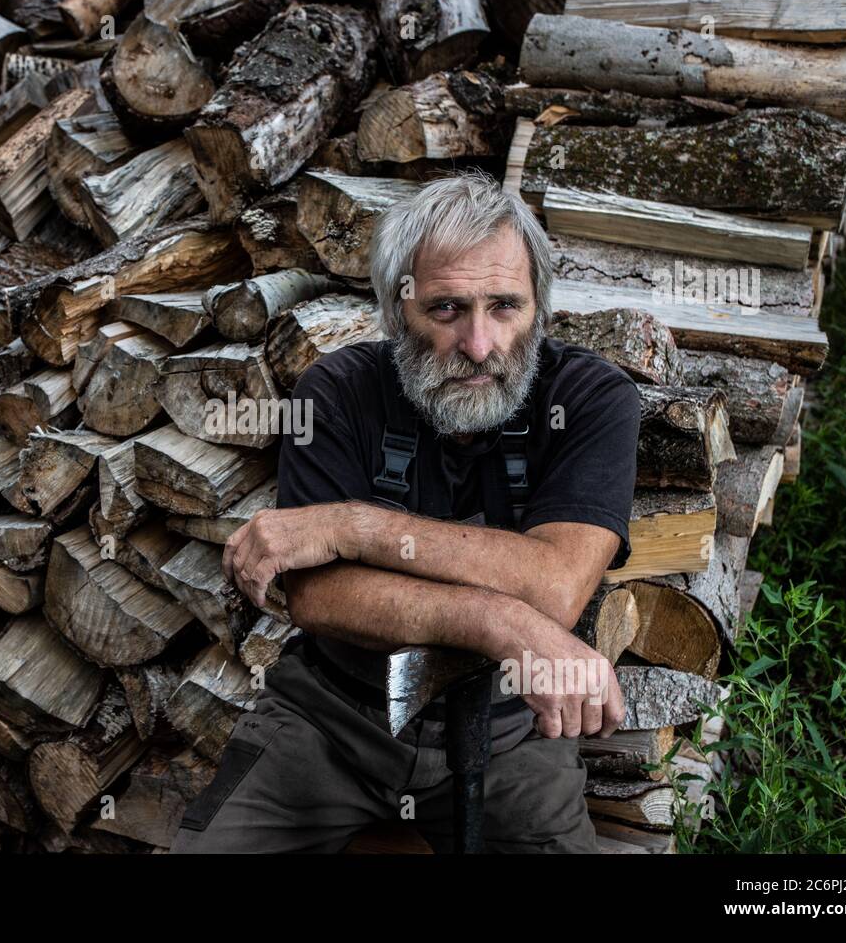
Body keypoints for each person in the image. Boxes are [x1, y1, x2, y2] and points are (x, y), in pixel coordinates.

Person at [168, 171, 641, 854]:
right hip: (333, 719)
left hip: (514, 732)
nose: (480, 346)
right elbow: (320, 595)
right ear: (397, 311)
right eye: (446, 310)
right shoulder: (339, 391)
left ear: (540, 307)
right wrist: (496, 619)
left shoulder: (592, 401)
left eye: (505, 306)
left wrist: (349, 526)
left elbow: (553, 586)